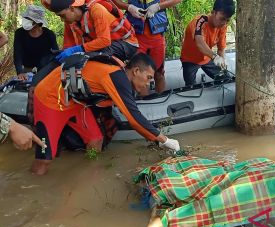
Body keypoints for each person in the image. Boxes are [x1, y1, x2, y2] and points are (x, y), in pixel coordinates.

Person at [31, 53, 180, 175]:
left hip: (76, 103)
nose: (148, 83)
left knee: (95, 140)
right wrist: (164, 140)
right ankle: (34, 182)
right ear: (136, 71)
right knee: (45, 158)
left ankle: (89, 176)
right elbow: (134, 119)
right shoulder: (116, 77)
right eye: (148, 78)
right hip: (50, 99)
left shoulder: (122, 74)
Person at [113, 0, 182, 93]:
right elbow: (115, 2)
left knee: (159, 73)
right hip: (137, 38)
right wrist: (129, 7)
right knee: (139, 75)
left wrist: (158, 6)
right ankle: (144, 102)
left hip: (157, 37)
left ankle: (161, 100)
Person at [42, 0, 138, 63]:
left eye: (62, 15)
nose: (62, 20)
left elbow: (104, 41)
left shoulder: (96, 9)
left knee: (92, 57)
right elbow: (68, 46)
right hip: (104, 46)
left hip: (126, 43)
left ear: (72, 8)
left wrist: (76, 50)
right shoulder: (70, 22)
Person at [180, 0, 235, 86]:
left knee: (226, 78)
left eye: (227, 20)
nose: (224, 23)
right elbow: (200, 43)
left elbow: (221, 48)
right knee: (190, 88)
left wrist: (223, 60)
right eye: (222, 19)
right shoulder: (199, 22)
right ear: (213, 12)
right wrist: (215, 57)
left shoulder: (223, 26)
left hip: (207, 58)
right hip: (190, 59)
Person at [13, 5, 59, 81]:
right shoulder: (20, 33)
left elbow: (56, 54)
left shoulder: (49, 34)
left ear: (37, 22)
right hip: (27, 70)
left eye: (28, 19)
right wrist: (20, 72)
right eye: (26, 18)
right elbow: (17, 54)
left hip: (45, 69)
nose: (26, 20)